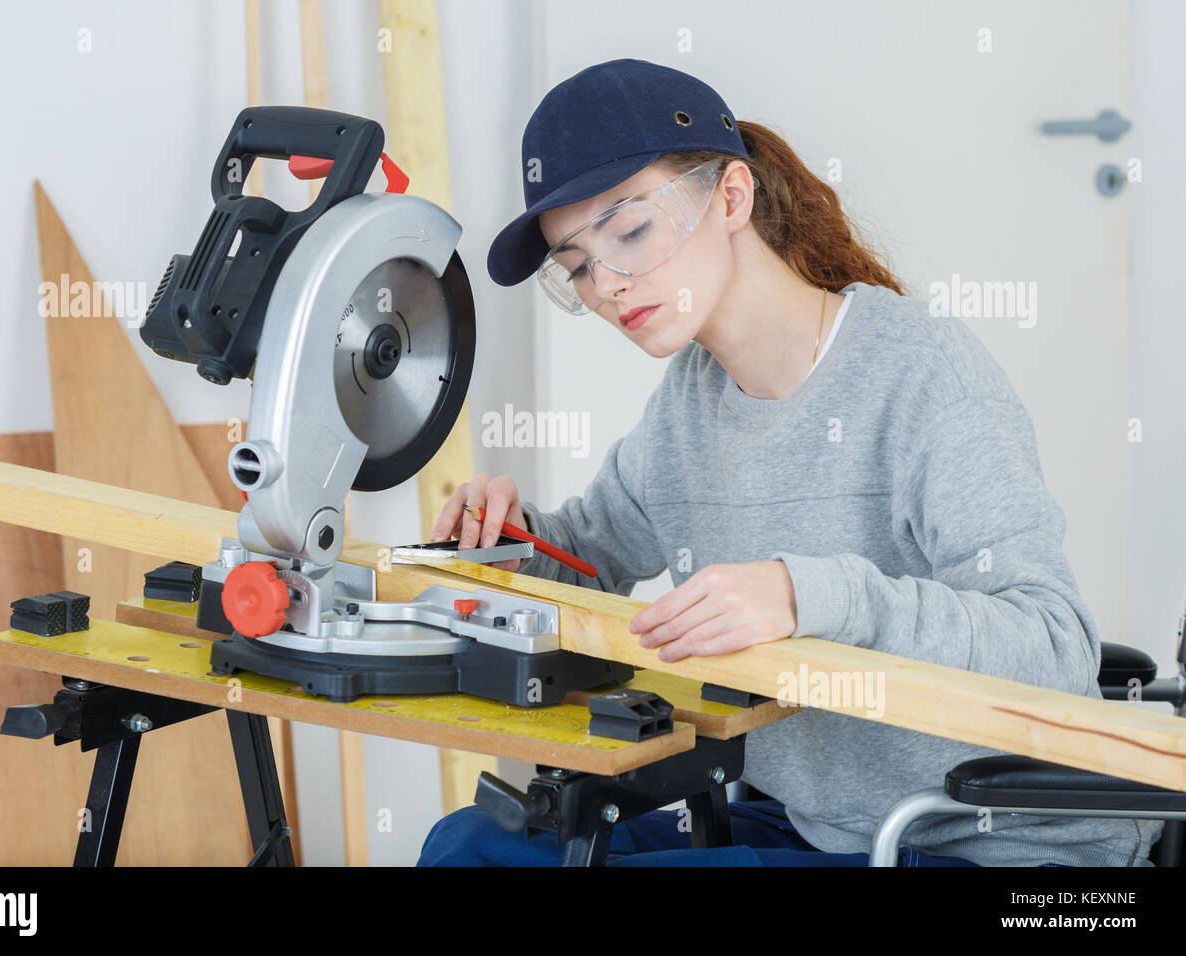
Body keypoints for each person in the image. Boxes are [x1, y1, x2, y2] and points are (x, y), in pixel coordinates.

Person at [416, 58, 1157, 866]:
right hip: (820, 827)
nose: (609, 285)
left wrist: (813, 594)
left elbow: (1053, 647)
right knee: (470, 847)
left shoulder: (921, 373)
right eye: (579, 265)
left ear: (731, 197)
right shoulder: (688, 405)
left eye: (629, 231)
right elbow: (589, 564)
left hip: (973, 838)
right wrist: (513, 543)